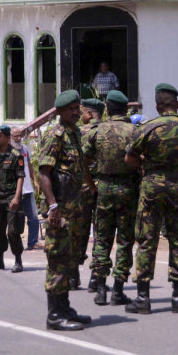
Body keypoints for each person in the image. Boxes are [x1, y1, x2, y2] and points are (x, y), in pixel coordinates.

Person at [125, 83, 178, 314]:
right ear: (177, 105)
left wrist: (149, 164)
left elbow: (130, 159)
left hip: (152, 187)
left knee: (147, 241)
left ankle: (143, 298)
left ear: (157, 105)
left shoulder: (148, 128)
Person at [35, 90, 92, 331]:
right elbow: (44, 172)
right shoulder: (55, 135)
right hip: (60, 209)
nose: (76, 112)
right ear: (59, 112)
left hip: (74, 207)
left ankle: (65, 307)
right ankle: (54, 314)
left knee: (69, 260)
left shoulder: (75, 133)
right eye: (71, 109)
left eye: (77, 108)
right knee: (57, 259)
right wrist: (53, 206)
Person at [82, 90, 137, 306]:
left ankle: (100, 287)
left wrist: (91, 184)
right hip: (127, 188)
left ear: (107, 109)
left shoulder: (98, 130)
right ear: (125, 109)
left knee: (102, 238)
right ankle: (118, 289)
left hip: (103, 188)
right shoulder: (134, 131)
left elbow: (83, 161)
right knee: (124, 240)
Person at [0, 125, 26, 273]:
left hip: (11, 198)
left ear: (7, 138)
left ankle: (18, 261)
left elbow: (20, 178)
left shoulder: (15, 155)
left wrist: (16, 197)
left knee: (13, 232)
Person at [74, 98, 104, 291]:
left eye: (83, 112)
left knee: (78, 232)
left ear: (90, 114)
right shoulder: (108, 131)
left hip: (81, 188)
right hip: (103, 188)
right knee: (101, 233)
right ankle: (96, 278)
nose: (81, 116)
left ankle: (72, 275)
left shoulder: (78, 132)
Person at [11, 126, 41, 251]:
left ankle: (32, 242)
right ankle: (15, 244)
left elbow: (29, 165)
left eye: (20, 135)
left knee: (33, 217)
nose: (19, 138)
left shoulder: (24, 149)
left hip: (28, 189)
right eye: (16, 136)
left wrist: (35, 180)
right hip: (15, 191)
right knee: (16, 219)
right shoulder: (8, 151)